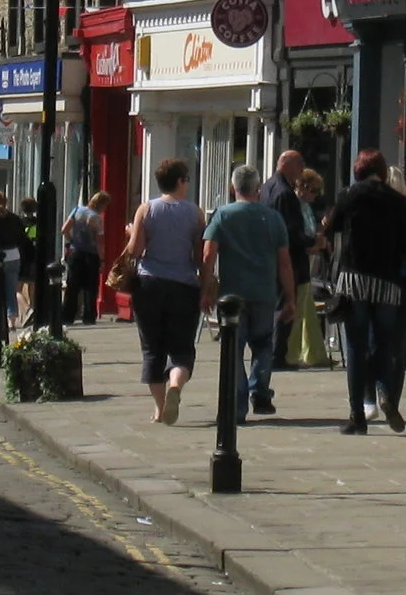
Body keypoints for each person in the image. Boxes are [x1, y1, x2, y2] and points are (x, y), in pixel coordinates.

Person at [327, 150, 406, 434]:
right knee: (385, 343)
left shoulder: (349, 196)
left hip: (355, 279)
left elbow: (332, 227)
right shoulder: (400, 202)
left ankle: (357, 416)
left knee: (356, 346)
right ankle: (385, 390)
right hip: (388, 282)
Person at [202, 166, 296, 420]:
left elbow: (208, 255)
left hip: (233, 295)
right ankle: (259, 389)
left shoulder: (223, 215)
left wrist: (205, 290)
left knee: (233, 348)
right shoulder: (273, 218)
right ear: (257, 189)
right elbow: (285, 262)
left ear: (234, 188)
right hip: (265, 292)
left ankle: (237, 404)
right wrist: (290, 298)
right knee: (264, 344)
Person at [121, 160, 205, 423]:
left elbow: (135, 250)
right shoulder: (195, 213)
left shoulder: (146, 210)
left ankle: (160, 408)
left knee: (152, 348)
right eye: (187, 179)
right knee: (181, 347)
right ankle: (176, 386)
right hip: (184, 284)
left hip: (149, 284)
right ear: (180, 181)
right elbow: (198, 254)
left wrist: (131, 232)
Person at [263, 151, 316, 368]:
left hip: (270, 257)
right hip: (287, 259)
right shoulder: (284, 193)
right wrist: (314, 242)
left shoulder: (267, 187)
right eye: (299, 164)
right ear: (285, 164)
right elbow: (290, 233)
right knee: (285, 304)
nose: (302, 169)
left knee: (278, 304)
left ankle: (274, 353)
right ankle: (277, 355)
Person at [288, 167, 333, 368]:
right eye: (314, 191)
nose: (316, 196)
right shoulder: (296, 206)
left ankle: (312, 352)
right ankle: (301, 353)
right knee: (301, 311)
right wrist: (316, 243)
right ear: (303, 187)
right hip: (299, 262)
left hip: (307, 263)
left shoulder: (305, 207)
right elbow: (301, 236)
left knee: (307, 311)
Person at [62, 192, 107, 326]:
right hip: (91, 255)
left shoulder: (76, 211)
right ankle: (88, 316)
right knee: (90, 287)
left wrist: (73, 240)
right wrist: (102, 260)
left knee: (72, 286)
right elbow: (99, 242)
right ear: (101, 205)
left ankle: (67, 316)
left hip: (75, 253)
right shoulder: (97, 219)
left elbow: (64, 229)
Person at [0, 190, 28, 330]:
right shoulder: (15, 218)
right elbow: (22, 238)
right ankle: (11, 320)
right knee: (12, 289)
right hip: (14, 255)